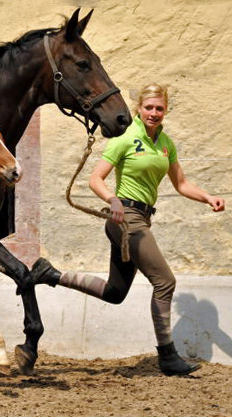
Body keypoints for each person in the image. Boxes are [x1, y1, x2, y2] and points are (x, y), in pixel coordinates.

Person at [31, 83, 226, 376]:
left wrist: (208, 197)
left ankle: (51, 274)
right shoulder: (125, 138)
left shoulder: (165, 144)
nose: (154, 113)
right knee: (165, 281)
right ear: (138, 108)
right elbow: (96, 179)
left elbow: (181, 184)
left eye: (159, 108)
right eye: (149, 107)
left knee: (115, 292)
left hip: (141, 219)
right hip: (125, 218)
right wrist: (112, 200)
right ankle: (168, 356)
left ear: (165, 110)